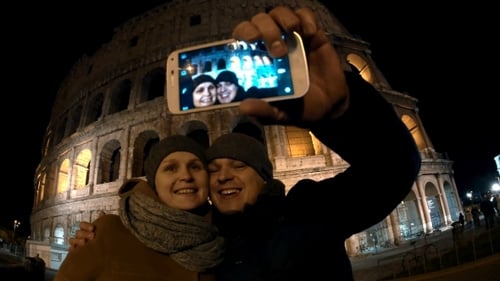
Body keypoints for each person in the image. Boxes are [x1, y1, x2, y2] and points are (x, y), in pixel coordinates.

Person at [70, 6, 421, 281]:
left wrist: (343, 111)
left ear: (264, 175)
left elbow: (393, 167)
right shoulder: (201, 242)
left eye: (238, 166)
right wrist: (97, 239)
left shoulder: (309, 210)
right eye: (213, 169)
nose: (223, 176)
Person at [55, 135, 224, 281]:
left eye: (195, 167)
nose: (186, 176)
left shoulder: (217, 243)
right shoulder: (106, 231)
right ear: (154, 182)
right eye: (170, 168)